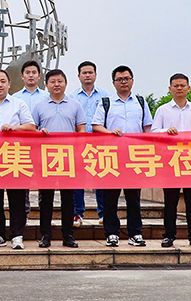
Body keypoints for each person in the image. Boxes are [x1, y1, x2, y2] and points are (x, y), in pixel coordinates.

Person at [92, 65, 153, 247]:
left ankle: (136, 233)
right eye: (120, 79)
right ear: (113, 83)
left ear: (132, 81)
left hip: (135, 157)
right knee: (110, 198)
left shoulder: (140, 102)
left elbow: (148, 127)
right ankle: (112, 233)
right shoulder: (106, 102)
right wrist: (110, 132)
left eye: (127, 79)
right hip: (112, 156)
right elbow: (96, 126)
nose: (123, 82)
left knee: (133, 198)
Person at [0, 69, 36, 250]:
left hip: (14, 156)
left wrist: (14, 128)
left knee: (17, 198)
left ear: (9, 84)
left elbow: (31, 126)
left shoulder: (19, 104)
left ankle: (17, 235)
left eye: (3, 81)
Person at [151, 73, 191, 248]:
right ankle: (169, 235)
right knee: (170, 201)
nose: (179, 88)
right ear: (170, 89)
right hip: (171, 161)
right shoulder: (162, 110)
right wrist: (166, 131)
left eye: (182, 85)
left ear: (188, 88)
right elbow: (153, 132)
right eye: (176, 86)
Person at [32, 69, 85, 248]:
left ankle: (68, 235)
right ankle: (45, 235)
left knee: (68, 199)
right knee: (45, 199)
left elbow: (81, 130)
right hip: (46, 159)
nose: (56, 84)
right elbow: (32, 129)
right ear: (46, 85)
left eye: (60, 81)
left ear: (66, 83)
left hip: (68, 159)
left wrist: (78, 152)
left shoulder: (75, 105)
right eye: (52, 81)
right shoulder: (39, 105)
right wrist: (39, 133)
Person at [69, 61, 110, 227]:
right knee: (78, 179)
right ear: (79, 76)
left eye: (90, 72)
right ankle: (77, 213)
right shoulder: (72, 97)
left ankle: (103, 213)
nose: (87, 75)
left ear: (95, 75)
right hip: (78, 142)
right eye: (84, 73)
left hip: (100, 142)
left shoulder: (105, 96)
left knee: (101, 177)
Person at [12, 61, 48, 224]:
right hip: (23, 144)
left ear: (39, 76)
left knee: (44, 179)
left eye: (34, 72)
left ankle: (45, 214)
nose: (31, 75)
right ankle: (24, 213)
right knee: (23, 178)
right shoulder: (15, 98)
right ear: (22, 76)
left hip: (43, 144)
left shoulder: (46, 97)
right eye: (28, 72)